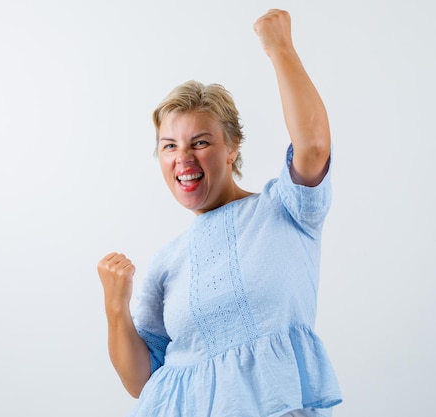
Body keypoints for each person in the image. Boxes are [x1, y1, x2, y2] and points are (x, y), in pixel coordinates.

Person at [97, 9, 342, 417]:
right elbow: (142, 381)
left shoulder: (286, 209)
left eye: (200, 141)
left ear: (233, 148)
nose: (183, 158)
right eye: (169, 146)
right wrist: (115, 307)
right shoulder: (167, 262)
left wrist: (279, 48)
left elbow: (314, 148)